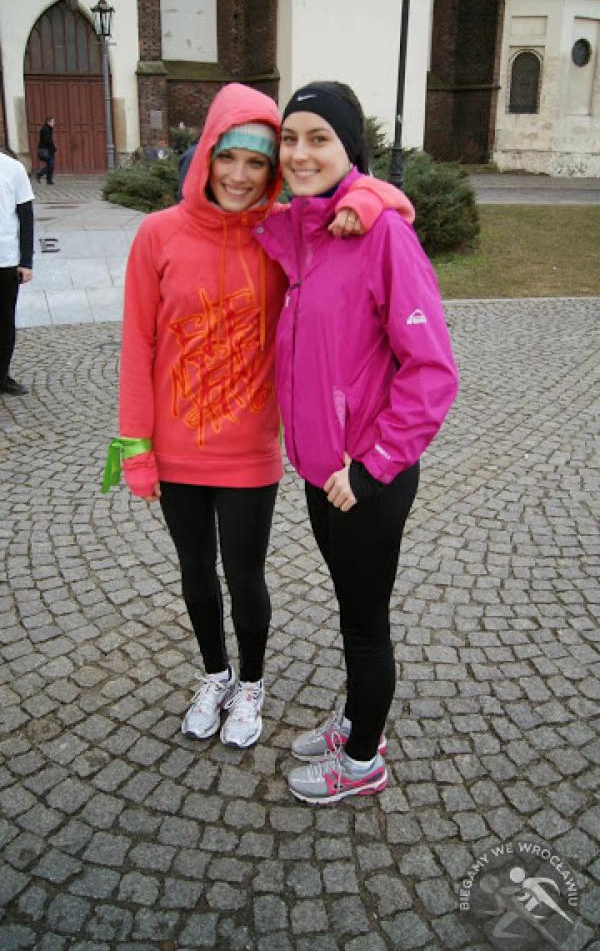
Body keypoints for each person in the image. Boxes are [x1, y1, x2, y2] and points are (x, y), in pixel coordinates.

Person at [104, 82, 410, 751]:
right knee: (194, 571)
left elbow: (369, 204)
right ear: (205, 156)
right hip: (176, 446)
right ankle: (214, 674)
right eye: (228, 157)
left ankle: (251, 683)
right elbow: (137, 345)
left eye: (257, 163)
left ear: (272, 172)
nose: (240, 175)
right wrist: (135, 446)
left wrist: (367, 196)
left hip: (249, 448)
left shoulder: (282, 234)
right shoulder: (157, 234)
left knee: (245, 576)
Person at [256, 81, 459, 804]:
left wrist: (373, 468)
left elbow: (432, 370)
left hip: (366, 475)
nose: (300, 153)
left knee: (367, 623)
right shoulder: (309, 233)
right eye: (290, 138)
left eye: (320, 138)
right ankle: (354, 722)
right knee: (350, 610)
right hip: (322, 470)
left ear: (350, 150)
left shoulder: (383, 235)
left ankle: (364, 760)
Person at [0, 148, 34, 396]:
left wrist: (26, 261)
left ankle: (2, 375)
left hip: (5, 259)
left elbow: (26, 217)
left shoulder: (13, 169)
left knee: (4, 321)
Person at [36, 117, 56, 185]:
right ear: (48, 122)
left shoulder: (48, 129)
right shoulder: (46, 129)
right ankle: (39, 174)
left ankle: (49, 181)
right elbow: (47, 140)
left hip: (47, 150)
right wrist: (53, 148)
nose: (54, 123)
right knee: (51, 165)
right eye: (52, 122)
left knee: (50, 165)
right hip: (46, 150)